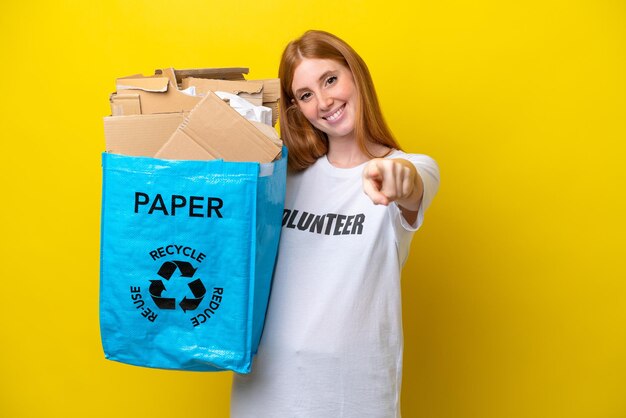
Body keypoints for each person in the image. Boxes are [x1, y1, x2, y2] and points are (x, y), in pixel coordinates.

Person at [231, 30, 440, 418]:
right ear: (296, 108)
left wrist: (395, 176)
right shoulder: (282, 178)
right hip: (265, 389)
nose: (325, 101)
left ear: (355, 74)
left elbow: (412, 184)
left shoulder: (414, 168)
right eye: (306, 95)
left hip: (352, 394)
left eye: (330, 80)